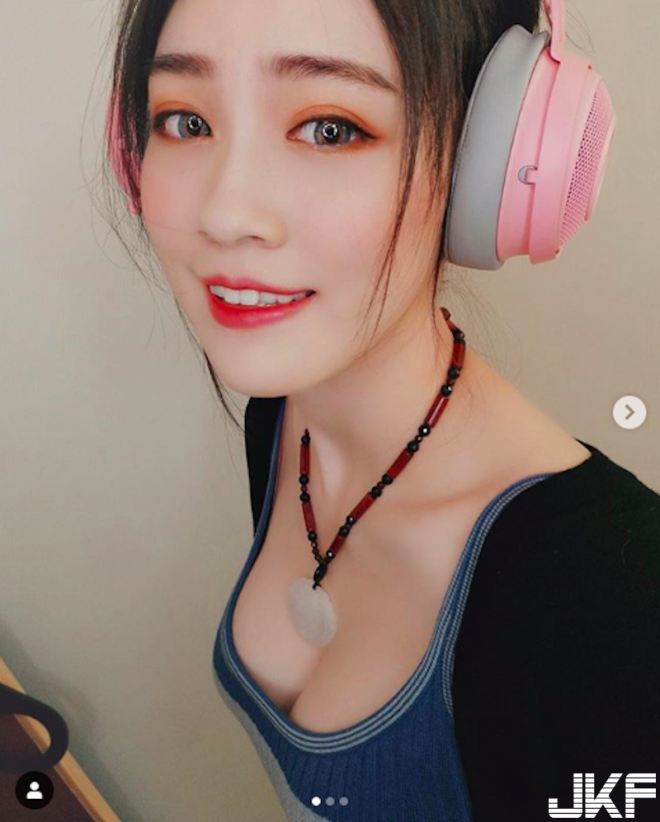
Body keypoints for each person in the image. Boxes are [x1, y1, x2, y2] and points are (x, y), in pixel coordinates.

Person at [104, 0, 659, 819]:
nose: (223, 214)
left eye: (329, 128)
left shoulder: (619, 616)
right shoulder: (281, 420)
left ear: (494, 164)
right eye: (186, 120)